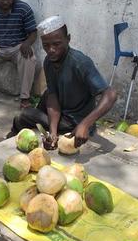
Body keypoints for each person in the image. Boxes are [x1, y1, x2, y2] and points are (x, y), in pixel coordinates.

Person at [8, 15, 117, 150]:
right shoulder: (49, 61)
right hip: (59, 114)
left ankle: (15, 134)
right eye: (46, 45)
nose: (51, 49)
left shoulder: (80, 62)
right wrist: (53, 133)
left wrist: (85, 124)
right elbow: (53, 96)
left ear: (68, 39)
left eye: (56, 44)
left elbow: (110, 94)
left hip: (73, 122)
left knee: (23, 116)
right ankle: (23, 136)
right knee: (47, 95)